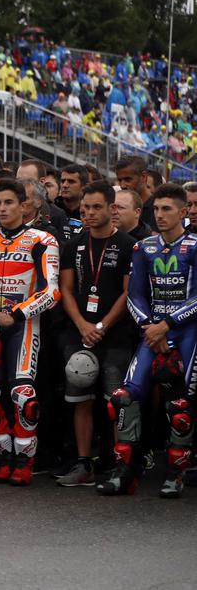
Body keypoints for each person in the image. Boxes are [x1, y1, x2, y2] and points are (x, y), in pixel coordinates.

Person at [99, 183, 197, 498]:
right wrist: (150, 327)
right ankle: (125, 471)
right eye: (156, 209)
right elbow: (135, 295)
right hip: (151, 331)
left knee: (180, 405)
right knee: (124, 399)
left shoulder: (195, 246)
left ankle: (175, 473)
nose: (160, 215)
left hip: (186, 332)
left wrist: (166, 325)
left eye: (167, 209)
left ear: (184, 212)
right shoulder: (144, 248)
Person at [0, 178, 60, 486]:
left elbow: (52, 292)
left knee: (22, 394)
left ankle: (25, 460)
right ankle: (3, 457)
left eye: (8, 203)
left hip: (23, 326)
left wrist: (15, 315)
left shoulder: (43, 240)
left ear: (23, 205)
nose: (2, 209)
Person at [55, 181, 135, 487]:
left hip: (114, 336)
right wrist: (83, 326)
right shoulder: (73, 244)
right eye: (85, 207)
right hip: (80, 333)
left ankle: (120, 464)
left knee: (115, 403)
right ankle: (84, 463)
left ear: (112, 209)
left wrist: (101, 327)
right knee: (81, 400)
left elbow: (129, 294)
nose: (88, 213)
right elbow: (66, 288)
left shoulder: (129, 245)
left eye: (96, 207)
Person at [115, 155, 156, 231]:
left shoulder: (158, 208)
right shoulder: (114, 208)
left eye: (128, 179)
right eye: (120, 180)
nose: (122, 185)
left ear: (143, 177)